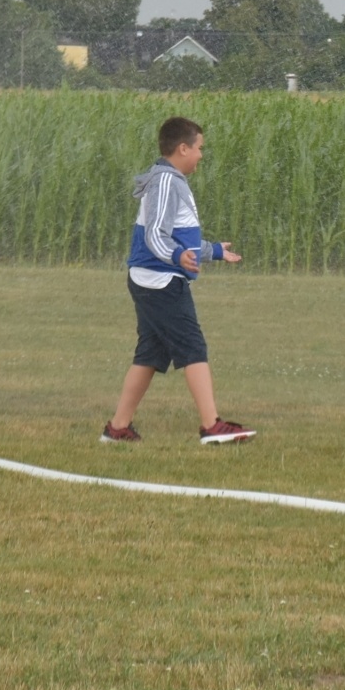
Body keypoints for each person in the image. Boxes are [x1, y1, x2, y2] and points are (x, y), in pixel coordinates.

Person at [101, 116, 256, 446]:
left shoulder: (169, 180)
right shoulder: (166, 182)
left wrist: (213, 251)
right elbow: (156, 235)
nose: (201, 154)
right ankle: (211, 426)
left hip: (152, 279)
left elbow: (178, 239)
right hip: (160, 281)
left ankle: (117, 429)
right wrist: (175, 257)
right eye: (199, 148)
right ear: (183, 148)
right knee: (193, 347)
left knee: (150, 354)